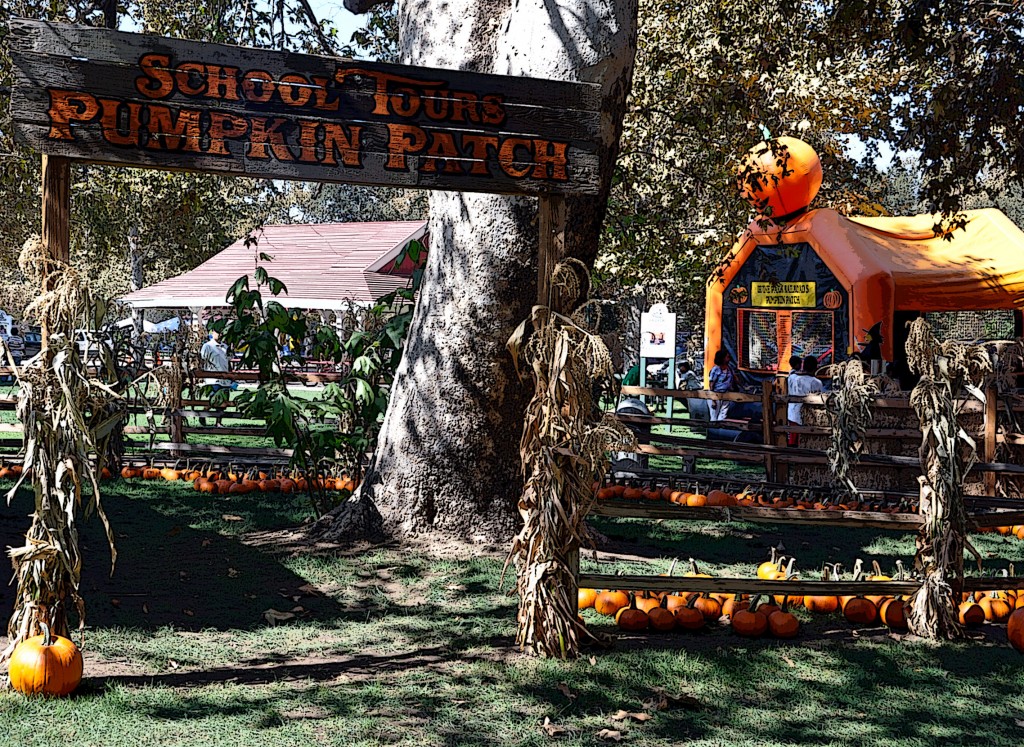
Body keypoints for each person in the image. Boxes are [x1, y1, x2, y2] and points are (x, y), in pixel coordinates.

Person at [787, 355, 824, 446]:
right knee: (804, 442)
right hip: (807, 417)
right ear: (816, 367)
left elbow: (792, 373)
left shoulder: (792, 378)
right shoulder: (816, 382)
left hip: (792, 414)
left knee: (793, 441)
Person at [200, 329, 232, 425]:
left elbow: (229, 362)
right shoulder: (207, 346)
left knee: (223, 403)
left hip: (225, 379)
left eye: (221, 332)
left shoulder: (225, 347)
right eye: (218, 332)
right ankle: (203, 413)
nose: (220, 334)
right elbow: (202, 360)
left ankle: (218, 422)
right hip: (213, 379)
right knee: (214, 400)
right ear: (212, 333)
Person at [708, 350, 735, 420]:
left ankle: (720, 429)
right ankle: (713, 430)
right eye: (727, 357)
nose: (729, 359)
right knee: (714, 415)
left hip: (726, 394)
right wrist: (713, 400)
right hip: (716, 394)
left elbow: (735, 379)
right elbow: (711, 384)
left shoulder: (729, 369)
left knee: (723, 415)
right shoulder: (716, 369)